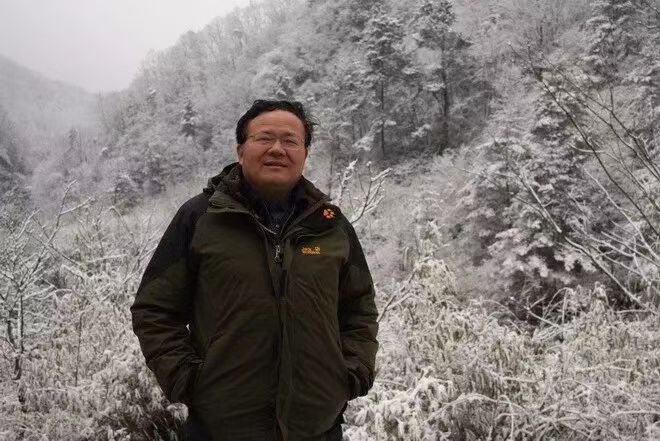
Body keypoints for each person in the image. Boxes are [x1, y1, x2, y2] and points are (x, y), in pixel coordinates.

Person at [130, 99, 379, 441]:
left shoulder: (330, 226)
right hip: (220, 430)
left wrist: (352, 372)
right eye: (264, 138)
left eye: (290, 140)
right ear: (240, 150)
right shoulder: (201, 218)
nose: (277, 149)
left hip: (317, 428)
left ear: (305, 153)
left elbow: (359, 308)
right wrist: (187, 379)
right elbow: (155, 309)